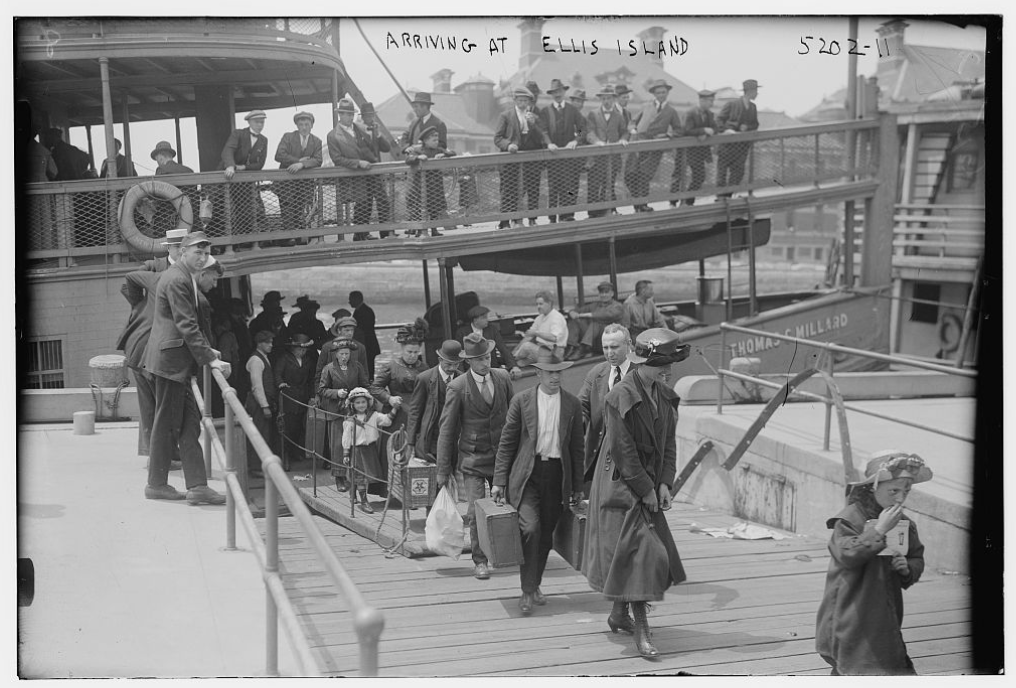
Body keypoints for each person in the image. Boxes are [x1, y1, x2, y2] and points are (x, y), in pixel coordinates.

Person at [582, 328, 690, 658]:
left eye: (670, 364)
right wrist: (646, 491)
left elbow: (668, 445)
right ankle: (641, 629)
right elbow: (623, 450)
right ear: (644, 364)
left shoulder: (665, 395)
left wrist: (664, 483)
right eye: (663, 364)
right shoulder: (620, 397)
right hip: (620, 486)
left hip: (648, 485)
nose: (668, 370)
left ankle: (618, 614)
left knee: (629, 556)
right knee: (642, 555)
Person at [815, 450, 931, 675]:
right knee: (859, 665)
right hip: (850, 613)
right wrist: (879, 530)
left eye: (906, 491)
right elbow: (847, 554)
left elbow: (916, 556)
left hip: (885, 616)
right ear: (873, 486)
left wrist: (907, 568)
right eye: (893, 491)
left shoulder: (902, 522)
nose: (900, 498)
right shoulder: (849, 519)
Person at [492, 348, 585, 615]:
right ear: (538, 372)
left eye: (559, 373)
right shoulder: (522, 401)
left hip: (557, 476)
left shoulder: (572, 404)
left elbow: (577, 449)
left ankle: (534, 585)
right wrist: (499, 481)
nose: (555, 378)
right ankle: (526, 590)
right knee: (530, 528)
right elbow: (507, 443)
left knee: (546, 534)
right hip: (527, 476)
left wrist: (578, 487)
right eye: (550, 373)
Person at [141, 231, 230, 505]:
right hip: (170, 363)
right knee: (166, 425)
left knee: (189, 424)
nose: (202, 258)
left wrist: (207, 351)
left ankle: (197, 486)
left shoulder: (183, 276)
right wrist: (210, 358)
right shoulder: (178, 278)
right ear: (182, 252)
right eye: (197, 253)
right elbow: (186, 324)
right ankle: (156, 484)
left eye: (205, 253)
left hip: (176, 361)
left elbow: (186, 325)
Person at [436, 332, 514, 580]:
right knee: (474, 510)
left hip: (502, 458)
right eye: (479, 359)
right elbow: (447, 431)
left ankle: (506, 553)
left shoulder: (502, 378)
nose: (485, 362)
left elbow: (514, 420)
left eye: (488, 357)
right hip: (472, 459)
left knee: (508, 506)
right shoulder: (458, 387)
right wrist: (442, 470)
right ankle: (480, 560)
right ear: (469, 361)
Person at [369, 319, 429, 493]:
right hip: (397, 415)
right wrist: (388, 398)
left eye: (416, 352)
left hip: (418, 414)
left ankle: (414, 490)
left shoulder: (424, 367)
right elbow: (374, 387)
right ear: (401, 349)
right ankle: (391, 489)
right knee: (396, 450)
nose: (412, 355)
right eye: (409, 351)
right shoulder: (391, 367)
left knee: (416, 452)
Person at [578, 324, 634, 483]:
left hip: (630, 457)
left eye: (614, 347)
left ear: (629, 344)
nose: (609, 353)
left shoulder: (640, 374)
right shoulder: (596, 373)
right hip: (598, 455)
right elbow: (582, 405)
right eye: (605, 347)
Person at [318, 338, 369, 492]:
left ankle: (355, 476)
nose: (345, 357)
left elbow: (365, 385)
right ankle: (339, 477)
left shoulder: (357, 367)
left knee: (356, 443)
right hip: (337, 411)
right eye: (342, 354)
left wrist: (362, 396)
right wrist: (336, 393)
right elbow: (321, 389)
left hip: (354, 411)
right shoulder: (329, 369)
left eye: (347, 354)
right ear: (336, 354)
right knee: (338, 445)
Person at [493, 86, 547, 229]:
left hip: (530, 160)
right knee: (509, 190)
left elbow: (542, 139)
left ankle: (532, 219)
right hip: (511, 159)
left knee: (533, 189)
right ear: (515, 100)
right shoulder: (506, 116)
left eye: (526, 101)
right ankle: (506, 221)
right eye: (520, 100)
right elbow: (497, 138)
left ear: (529, 102)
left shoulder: (535, 117)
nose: (523, 103)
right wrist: (508, 145)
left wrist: (534, 125)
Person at [328, 99, 380, 241]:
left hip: (366, 173)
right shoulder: (333, 135)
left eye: (351, 114)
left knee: (367, 202)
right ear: (340, 115)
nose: (350, 117)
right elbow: (337, 159)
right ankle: (359, 233)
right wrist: (358, 163)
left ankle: (362, 233)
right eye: (347, 114)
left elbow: (369, 147)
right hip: (351, 175)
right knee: (361, 202)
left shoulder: (359, 129)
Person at [628, 80, 683, 212]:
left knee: (645, 175)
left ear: (667, 93)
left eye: (663, 92)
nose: (661, 95)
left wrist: (667, 135)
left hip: (655, 147)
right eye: (658, 92)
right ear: (654, 94)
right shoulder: (646, 106)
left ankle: (644, 203)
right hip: (639, 144)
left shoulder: (671, 111)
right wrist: (633, 130)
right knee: (632, 174)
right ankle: (637, 205)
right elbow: (633, 122)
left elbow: (678, 129)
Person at [405, 339, 462, 464]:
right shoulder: (424, 378)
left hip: (455, 439)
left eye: (456, 364)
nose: (452, 368)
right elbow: (415, 412)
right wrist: (410, 442)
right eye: (448, 364)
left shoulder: (463, 379)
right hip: (430, 438)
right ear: (440, 359)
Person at [342, 388, 395, 514]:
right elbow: (346, 437)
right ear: (352, 405)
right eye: (358, 403)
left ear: (368, 403)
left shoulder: (374, 416)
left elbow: (386, 421)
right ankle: (364, 501)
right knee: (359, 475)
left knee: (366, 475)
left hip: (370, 449)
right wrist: (346, 453)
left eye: (363, 402)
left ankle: (353, 492)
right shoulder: (350, 420)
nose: (361, 405)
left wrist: (395, 409)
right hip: (357, 450)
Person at [540, 78, 586, 223]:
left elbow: (581, 128)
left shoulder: (572, 110)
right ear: (551, 94)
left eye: (559, 91)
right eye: (554, 92)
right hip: (553, 156)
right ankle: (553, 217)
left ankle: (568, 215)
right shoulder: (546, 111)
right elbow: (543, 130)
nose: (557, 94)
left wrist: (575, 140)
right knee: (554, 186)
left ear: (564, 92)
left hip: (569, 156)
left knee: (569, 185)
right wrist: (548, 143)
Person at [274, 111, 323, 244]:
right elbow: (279, 155)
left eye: (307, 124)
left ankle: (299, 236)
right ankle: (289, 237)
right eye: (301, 124)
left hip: (304, 183)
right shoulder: (288, 137)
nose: (304, 127)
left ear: (312, 125)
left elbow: (318, 160)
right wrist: (297, 160)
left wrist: (301, 164)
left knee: (299, 208)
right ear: (297, 125)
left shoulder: (316, 141)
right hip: (287, 182)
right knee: (287, 208)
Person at [585, 85, 629, 218]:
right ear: (601, 99)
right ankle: (593, 213)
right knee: (594, 185)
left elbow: (625, 131)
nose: (606, 101)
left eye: (609, 98)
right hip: (597, 157)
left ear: (614, 99)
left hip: (613, 157)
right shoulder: (593, 113)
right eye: (604, 98)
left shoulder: (618, 115)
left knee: (609, 184)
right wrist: (596, 141)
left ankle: (609, 210)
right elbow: (588, 132)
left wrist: (622, 139)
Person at [404, 126, 456, 236]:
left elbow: (453, 152)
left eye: (437, 140)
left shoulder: (438, 150)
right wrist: (418, 158)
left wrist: (444, 154)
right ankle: (420, 230)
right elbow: (408, 159)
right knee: (420, 208)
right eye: (434, 140)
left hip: (435, 186)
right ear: (426, 141)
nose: (436, 142)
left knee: (434, 207)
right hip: (422, 186)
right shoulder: (417, 150)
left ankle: (434, 229)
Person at [275, 333, 316, 467]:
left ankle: (295, 452)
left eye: (304, 350)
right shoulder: (284, 359)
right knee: (288, 426)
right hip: (288, 396)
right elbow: (277, 374)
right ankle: (285, 455)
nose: (302, 352)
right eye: (299, 349)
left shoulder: (308, 361)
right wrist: (281, 383)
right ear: (293, 349)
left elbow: (311, 380)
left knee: (299, 426)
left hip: (302, 396)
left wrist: (312, 395)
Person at [715, 79, 761, 198]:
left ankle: (727, 196)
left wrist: (747, 127)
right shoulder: (732, 104)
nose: (757, 94)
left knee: (738, 173)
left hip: (742, 148)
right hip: (727, 146)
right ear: (750, 91)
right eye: (756, 91)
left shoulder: (753, 107)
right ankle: (720, 197)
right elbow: (719, 120)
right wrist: (726, 130)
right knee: (722, 172)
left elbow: (755, 124)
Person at [674, 90, 717, 207]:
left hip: (699, 152)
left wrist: (706, 133)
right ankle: (673, 202)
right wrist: (702, 131)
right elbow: (686, 130)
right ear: (702, 100)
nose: (711, 104)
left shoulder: (709, 114)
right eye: (710, 101)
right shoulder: (690, 113)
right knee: (679, 175)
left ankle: (688, 201)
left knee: (699, 176)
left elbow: (715, 128)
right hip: (686, 151)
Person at [245, 330, 278, 480]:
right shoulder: (256, 360)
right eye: (268, 342)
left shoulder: (263, 358)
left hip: (264, 403)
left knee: (264, 434)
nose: (271, 345)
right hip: (258, 404)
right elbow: (257, 386)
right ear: (260, 343)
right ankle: (255, 467)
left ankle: (260, 465)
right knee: (259, 434)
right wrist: (264, 406)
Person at [454, 305, 521, 378]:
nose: (487, 320)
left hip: (491, 369)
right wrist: (461, 374)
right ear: (475, 320)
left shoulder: (492, 329)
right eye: (484, 318)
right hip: (471, 371)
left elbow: (503, 348)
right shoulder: (462, 332)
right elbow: (459, 355)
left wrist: (514, 366)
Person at [565, 281, 626, 361]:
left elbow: (605, 315)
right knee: (576, 320)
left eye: (606, 292)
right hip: (594, 341)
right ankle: (570, 346)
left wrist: (584, 315)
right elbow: (577, 310)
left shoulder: (618, 306)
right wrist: (571, 312)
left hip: (611, 341)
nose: (604, 295)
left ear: (612, 294)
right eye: (601, 293)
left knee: (596, 322)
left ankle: (583, 348)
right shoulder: (595, 305)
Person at [359, 102, 394, 237]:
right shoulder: (357, 129)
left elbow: (386, 148)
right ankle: (361, 234)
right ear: (362, 116)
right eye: (367, 115)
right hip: (363, 173)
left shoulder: (375, 130)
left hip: (376, 173)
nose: (370, 118)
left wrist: (378, 134)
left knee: (383, 202)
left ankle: (385, 233)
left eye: (372, 115)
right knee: (364, 204)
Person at [512, 290, 569, 366]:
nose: (538, 307)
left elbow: (554, 338)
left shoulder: (556, 317)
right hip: (541, 351)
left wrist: (536, 333)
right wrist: (515, 350)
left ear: (549, 303)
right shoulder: (539, 318)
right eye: (537, 304)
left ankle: (510, 359)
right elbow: (528, 337)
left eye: (541, 304)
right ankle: (511, 361)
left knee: (527, 346)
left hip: (554, 355)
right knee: (519, 363)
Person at [349, 290, 381, 379]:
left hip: (367, 345)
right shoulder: (362, 310)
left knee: (368, 370)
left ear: (357, 299)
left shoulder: (364, 311)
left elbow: (364, 329)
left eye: (351, 299)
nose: (349, 302)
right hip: (367, 345)